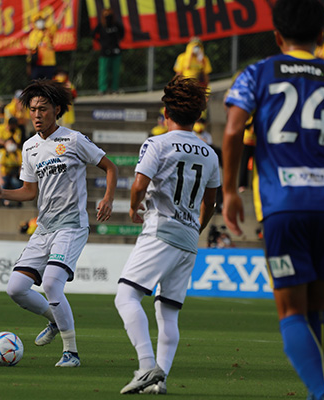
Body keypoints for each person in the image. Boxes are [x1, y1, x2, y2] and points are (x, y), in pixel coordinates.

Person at [221, 1, 324, 399]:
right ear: (321, 36)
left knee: (292, 311)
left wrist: (229, 191)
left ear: (277, 36)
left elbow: (232, 130)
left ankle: (323, 394)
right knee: (323, 307)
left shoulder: (257, 73)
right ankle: (322, 390)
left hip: (282, 204)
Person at [0, 79, 118, 367]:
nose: (36, 115)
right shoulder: (30, 147)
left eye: (43, 109)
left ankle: (71, 352)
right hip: (44, 228)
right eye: (33, 109)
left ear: (56, 110)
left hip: (71, 225)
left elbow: (110, 167)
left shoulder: (74, 140)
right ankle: (55, 320)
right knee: (16, 288)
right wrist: (2, 193)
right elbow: (29, 191)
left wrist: (107, 198)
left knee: (51, 284)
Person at [114, 75, 220, 395]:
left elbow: (139, 185)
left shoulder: (157, 143)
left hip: (161, 229)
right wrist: (196, 228)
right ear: (197, 115)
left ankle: (148, 366)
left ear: (165, 112)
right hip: (188, 237)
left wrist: (133, 207)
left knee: (126, 296)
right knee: (168, 311)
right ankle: (159, 382)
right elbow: (210, 202)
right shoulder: (210, 154)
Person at [92, 8, 125, 95]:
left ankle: (115, 88)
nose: (108, 17)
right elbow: (93, 34)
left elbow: (122, 32)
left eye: (109, 15)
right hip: (104, 52)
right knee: (103, 72)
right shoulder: (101, 25)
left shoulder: (116, 25)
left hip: (115, 51)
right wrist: (100, 41)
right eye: (106, 15)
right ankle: (102, 89)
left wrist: (118, 40)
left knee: (115, 72)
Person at [26, 12, 58, 80]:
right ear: (34, 23)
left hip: (49, 63)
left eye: (41, 20)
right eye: (37, 21)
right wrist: (29, 65)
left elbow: (57, 23)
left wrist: (63, 11)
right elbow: (30, 50)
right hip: (37, 64)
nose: (40, 22)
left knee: (49, 83)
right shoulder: (33, 34)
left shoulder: (49, 31)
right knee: (36, 83)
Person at [0, 137, 22, 207]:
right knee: (1, 186)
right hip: (3, 175)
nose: (11, 145)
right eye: (9, 143)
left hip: (13, 176)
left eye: (12, 143)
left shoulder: (18, 153)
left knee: (17, 184)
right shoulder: (2, 152)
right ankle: (5, 202)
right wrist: (0, 179)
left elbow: (21, 166)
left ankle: (19, 201)